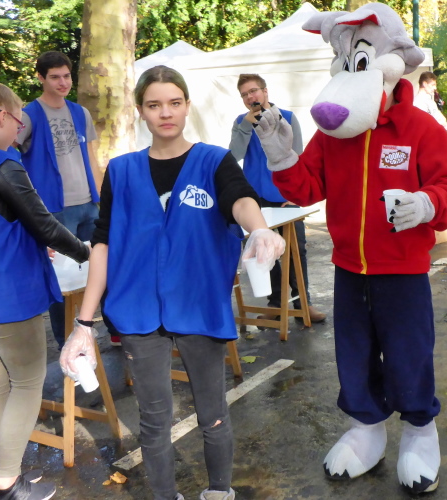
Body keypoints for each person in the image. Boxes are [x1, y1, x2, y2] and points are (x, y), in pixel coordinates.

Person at [254, 3, 447, 493]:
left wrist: (426, 203)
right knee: (354, 355)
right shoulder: (335, 136)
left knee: (409, 355)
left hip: (403, 271)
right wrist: (282, 155)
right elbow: (306, 189)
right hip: (350, 268)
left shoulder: (421, 129)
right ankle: (366, 429)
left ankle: (420, 431)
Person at [60, 65, 285, 500]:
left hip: (199, 305)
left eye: (174, 103)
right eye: (154, 105)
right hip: (138, 311)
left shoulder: (212, 160)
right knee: (154, 420)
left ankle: (219, 491)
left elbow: (240, 199)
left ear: (186, 106)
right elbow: (103, 243)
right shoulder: (121, 171)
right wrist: (83, 323)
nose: (165, 113)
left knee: (213, 414)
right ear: (141, 111)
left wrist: (258, 228)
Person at [0, 68, 90, 499]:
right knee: (26, 383)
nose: (20, 130)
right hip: (8, 296)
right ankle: (8, 484)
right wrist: (87, 253)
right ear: (1, 115)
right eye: (19, 120)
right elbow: (44, 224)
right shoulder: (2, 164)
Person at [15, 51, 106, 349]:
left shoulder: (81, 113)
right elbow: (8, 154)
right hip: (54, 210)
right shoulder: (28, 115)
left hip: (89, 205)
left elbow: (91, 158)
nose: (63, 82)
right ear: (40, 78)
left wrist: (102, 199)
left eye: (66, 76)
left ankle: (114, 329)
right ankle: (65, 339)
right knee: (62, 282)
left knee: (103, 267)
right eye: (55, 77)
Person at [229, 74, 326, 324]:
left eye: (253, 91)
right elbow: (233, 155)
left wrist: (295, 195)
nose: (250, 97)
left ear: (265, 91)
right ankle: (275, 304)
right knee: (263, 251)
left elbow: (299, 156)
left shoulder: (288, 118)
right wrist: (246, 126)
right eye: (244, 94)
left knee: (296, 249)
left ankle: (304, 303)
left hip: (285, 197)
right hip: (255, 199)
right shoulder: (241, 122)